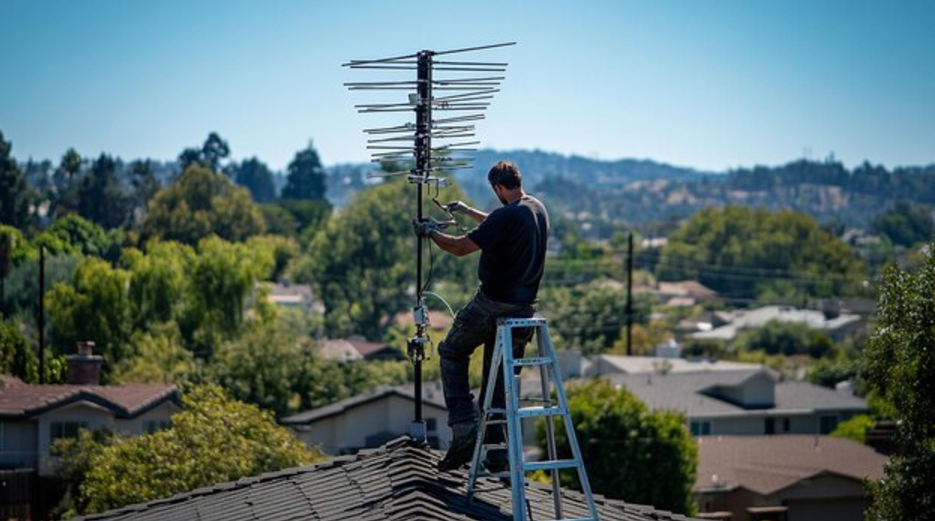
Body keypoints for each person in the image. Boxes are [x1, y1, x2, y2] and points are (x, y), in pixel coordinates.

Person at [412, 160, 550, 472]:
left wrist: (430, 232)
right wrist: (466, 210)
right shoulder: (535, 208)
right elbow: (497, 222)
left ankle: (463, 431)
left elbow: (461, 248)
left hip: (493, 303)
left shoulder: (507, 215)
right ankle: (498, 456)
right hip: (524, 309)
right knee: (498, 381)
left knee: (451, 351)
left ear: (498, 188)